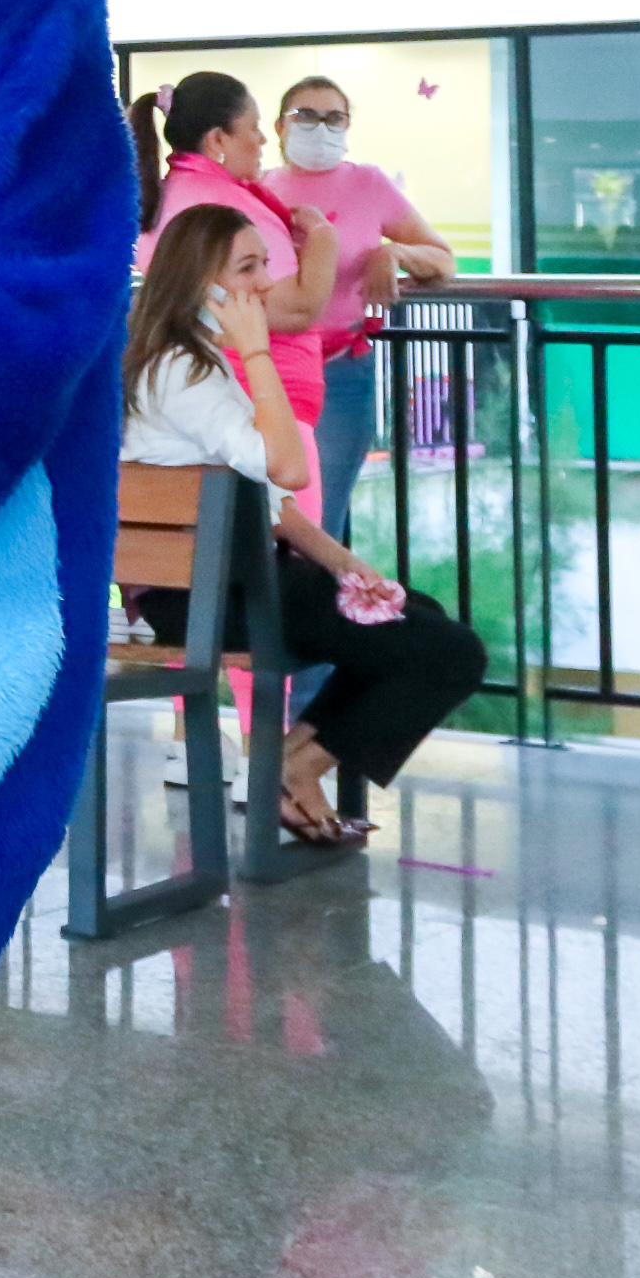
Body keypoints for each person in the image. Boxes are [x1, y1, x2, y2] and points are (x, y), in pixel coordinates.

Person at [122, 202, 490, 846]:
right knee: (451, 651)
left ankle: (287, 765)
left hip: (219, 584)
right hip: (211, 599)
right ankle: (293, 769)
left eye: (265, 264)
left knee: (413, 614)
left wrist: (344, 563)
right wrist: (258, 352)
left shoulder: (178, 359)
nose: (267, 283)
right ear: (200, 282)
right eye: (249, 268)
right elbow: (289, 470)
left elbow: (269, 500)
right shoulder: (186, 372)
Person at [255, 73, 461, 546]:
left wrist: (395, 253)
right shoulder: (260, 187)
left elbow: (443, 259)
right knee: (271, 513)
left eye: (334, 118)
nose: (320, 127)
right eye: (306, 116)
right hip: (268, 366)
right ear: (281, 127)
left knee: (323, 514)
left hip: (341, 369)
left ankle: (324, 592)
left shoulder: (368, 183)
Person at [132, 69, 341, 492]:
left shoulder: (167, 195)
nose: (263, 140)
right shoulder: (221, 209)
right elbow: (297, 308)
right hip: (271, 398)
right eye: (254, 127)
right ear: (218, 140)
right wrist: (323, 238)